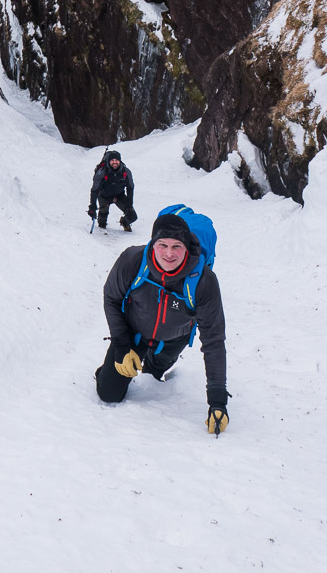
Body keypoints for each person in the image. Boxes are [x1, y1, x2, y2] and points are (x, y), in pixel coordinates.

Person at [95, 212, 230, 434]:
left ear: (186, 247)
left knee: (151, 377)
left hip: (172, 341)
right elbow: (112, 297)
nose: (169, 253)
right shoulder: (132, 261)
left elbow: (214, 340)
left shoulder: (203, 281)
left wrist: (218, 401)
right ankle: (108, 368)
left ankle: (154, 366)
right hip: (133, 334)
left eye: (177, 246)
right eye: (163, 244)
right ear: (153, 243)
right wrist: (120, 345)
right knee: (109, 393)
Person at [88, 149, 137, 232]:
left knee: (132, 216)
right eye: (112, 160)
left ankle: (124, 222)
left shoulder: (126, 172)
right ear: (109, 161)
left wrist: (129, 205)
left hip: (119, 196)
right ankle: (101, 226)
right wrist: (92, 206)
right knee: (102, 221)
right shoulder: (101, 172)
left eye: (116, 160)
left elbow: (130, 188)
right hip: (104, 196)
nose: (114, 162)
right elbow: (95, 189)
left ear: (120, 161)